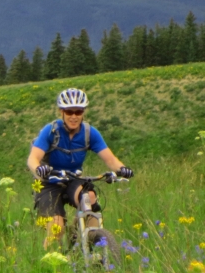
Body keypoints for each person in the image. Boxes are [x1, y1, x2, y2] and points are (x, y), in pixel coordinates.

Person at [26, 88, 133, 248]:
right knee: (57, 229)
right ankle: (49, 262)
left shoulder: (90, 133)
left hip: (72, 179)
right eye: (69, 112)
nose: (74, 116)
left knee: (90, 198)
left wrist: (122, 169)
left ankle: (93, 244)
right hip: (49, 182)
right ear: (61, 112)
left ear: (83, 112)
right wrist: (39, 169)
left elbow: (110, 159)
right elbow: (33, 158)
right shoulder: (51, 131)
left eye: (78, 111)